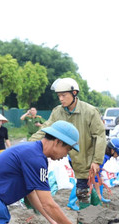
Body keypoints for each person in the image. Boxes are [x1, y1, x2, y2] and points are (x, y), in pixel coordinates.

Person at [29, 78, 107, 207]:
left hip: (85, 158)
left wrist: (97, 161)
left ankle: (86, 223)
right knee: (83, 190)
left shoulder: (90, 111)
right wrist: (30, 144)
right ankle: (95, 210)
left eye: (64, 95)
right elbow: (45, 130)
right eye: (59, 95)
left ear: (74, 93)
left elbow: (100, 136)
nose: (61, 99)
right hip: (67, 157)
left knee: (82, 193)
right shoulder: (57, 112)